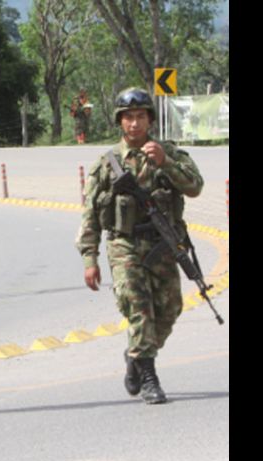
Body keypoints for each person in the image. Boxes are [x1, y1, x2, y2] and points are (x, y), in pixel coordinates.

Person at [75, 87, 204, 405]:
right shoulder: (107, 164)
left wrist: (166, 164)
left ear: (150, 120)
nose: (135, 124)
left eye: (141, 117)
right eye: (128, 118)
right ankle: (149, 377)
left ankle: (135, 355)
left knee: (170, 308)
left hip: (162, 243)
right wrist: (89, 259)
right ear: (120, 122)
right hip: (124, 244)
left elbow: (195, 188)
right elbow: (90, 212)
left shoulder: (169, 153)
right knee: (139, 306)